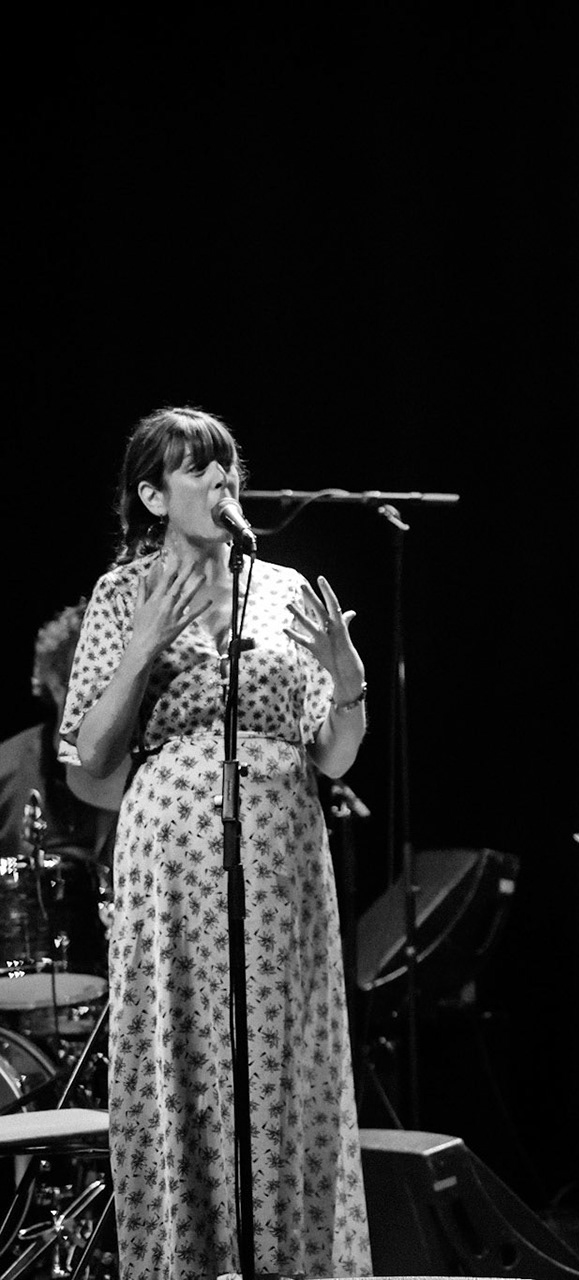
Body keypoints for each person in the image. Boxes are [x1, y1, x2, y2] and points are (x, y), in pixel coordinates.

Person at [59, 406, 372, 1278]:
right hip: (172, 859)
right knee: (188, 1057)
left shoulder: (284, 589)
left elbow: (336, 755)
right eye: (197, 467)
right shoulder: (125, 593)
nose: (220, 478)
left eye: (227, 463)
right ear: (152, 495)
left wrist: (349, 688)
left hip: (284, 861)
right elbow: (89, 757)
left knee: (284, 1063)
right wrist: (147, 644)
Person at [0, 602, 117, 988]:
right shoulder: (8, 765)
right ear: (52, 682)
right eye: (78, 682)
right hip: (27, 975)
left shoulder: (157, 773)